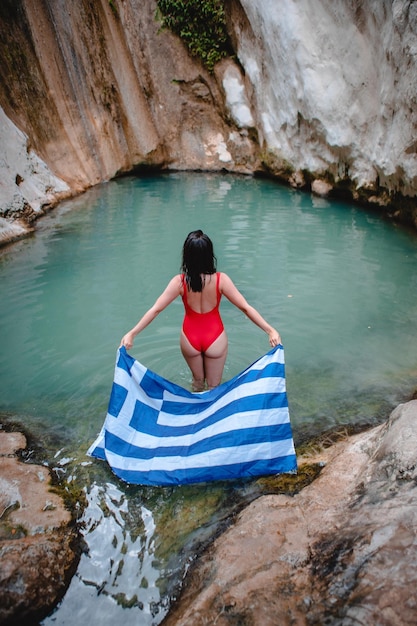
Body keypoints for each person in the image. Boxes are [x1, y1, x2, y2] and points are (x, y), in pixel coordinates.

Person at [120, 230, 281, 391]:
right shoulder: (221, 280)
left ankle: (194, 413)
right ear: (209, 254)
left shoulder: (180, 282)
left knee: (197, 383)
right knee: (214, 387)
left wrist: (132, 333)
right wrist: (270, 330)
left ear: (187, 255)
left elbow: (155, 310)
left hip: (190, 338)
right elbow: (245, 308)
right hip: (215, 337)